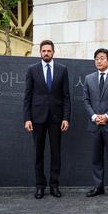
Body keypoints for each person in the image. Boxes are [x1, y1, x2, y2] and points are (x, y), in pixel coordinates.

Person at [23, 40, 71, 199]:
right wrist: (27, 118)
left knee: (56, 154)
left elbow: (66, 97)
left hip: (57, 119)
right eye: (43, 51)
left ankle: (54, 186)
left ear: (53, 52)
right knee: (38, 153)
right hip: (37, 118)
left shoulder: (62, 70)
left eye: (49, 51)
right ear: (40, 52)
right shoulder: (32, 70)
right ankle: (40, 186)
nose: (46, 53)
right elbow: (27, 96)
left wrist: (66, 117)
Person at [83, 48, 108, 198]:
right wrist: (94, 117)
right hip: (94, 125)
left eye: (101, 58)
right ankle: (98, 186)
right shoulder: (88, 78)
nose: (98, 61)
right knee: (96, 158)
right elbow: (86, 101)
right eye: (96, 59)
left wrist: (106, 116)